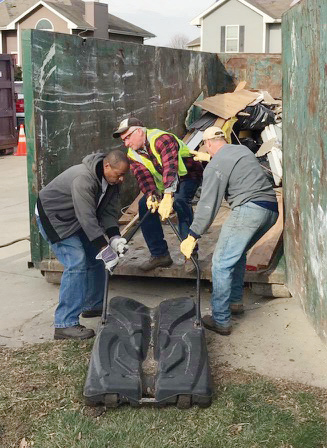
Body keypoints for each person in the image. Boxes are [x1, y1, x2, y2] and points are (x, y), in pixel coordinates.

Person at [180, 126, 278, 335]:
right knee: (237, 254)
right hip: (270, 210)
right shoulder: (242, 151)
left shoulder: (216, 164)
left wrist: (193, 234)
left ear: (207, 144)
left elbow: (208, 204)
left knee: (221, 263)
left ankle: (221, 320)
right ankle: (235, 303)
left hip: (249, 210)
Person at [35, 150, 130, 340]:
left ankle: (93, 305)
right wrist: (105, 249)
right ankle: (64, 323)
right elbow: (86, 217)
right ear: (107, 166)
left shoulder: (111, 181)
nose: (121, 179)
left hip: (76, 217)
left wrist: (114, 238)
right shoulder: (83, 179)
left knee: (95, 258)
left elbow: (108, 212)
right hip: (55, 218)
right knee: (77, 262)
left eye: (124, 175)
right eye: (119, 174)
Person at [113, 117, 203, 272]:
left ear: (139, 131)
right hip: (166, 181)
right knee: (144, 206)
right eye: (123, 140)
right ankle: (160, 254)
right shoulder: (132, 154)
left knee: (180, 202)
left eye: (127, 138)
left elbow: (171, 167)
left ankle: (190, 255)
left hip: (187, 175)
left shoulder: (162, 139)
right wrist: (151, 195)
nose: (126, 143)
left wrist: (168, 196)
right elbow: (143, 177)